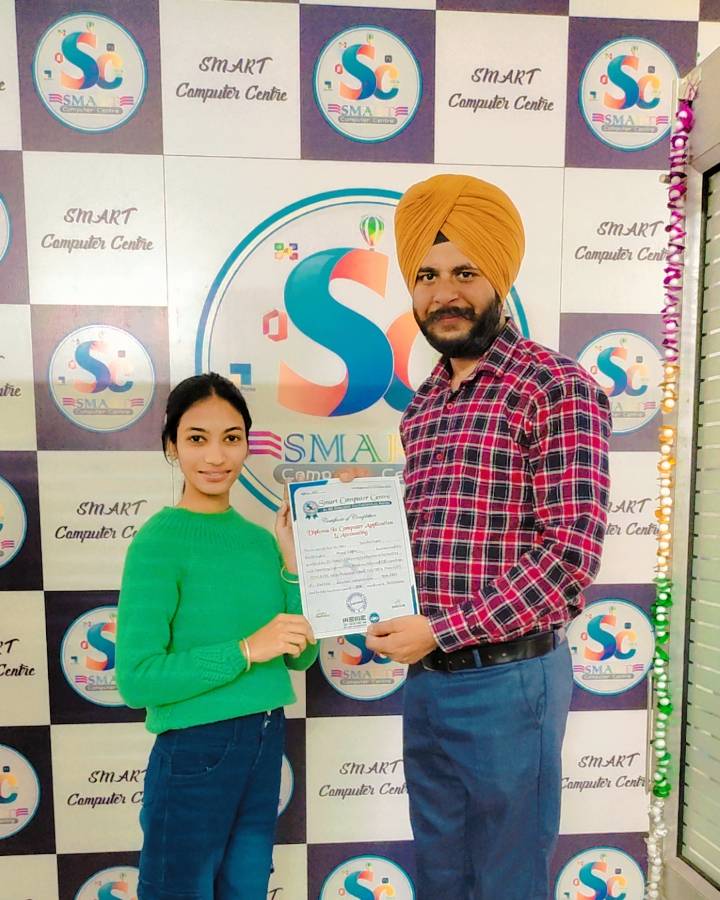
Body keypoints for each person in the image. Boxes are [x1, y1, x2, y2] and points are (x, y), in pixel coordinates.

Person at [363, 174, 612, 899]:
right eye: (427, 276)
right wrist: (346, 529)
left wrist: (440, 631)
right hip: (428, 682)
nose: (444, 293)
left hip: (510, 681)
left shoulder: (554, 386)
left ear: (497, 278)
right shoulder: (424, 406)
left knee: (506, 881)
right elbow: (426, 540)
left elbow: (568, 557)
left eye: (464, 273)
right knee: (441, 875)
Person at [116, 372, 317, 900]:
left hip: (265, 738)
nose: (215, 456)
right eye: (196, 438)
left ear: (247, 444)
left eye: (231, 438)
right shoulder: (158, 542)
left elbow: (301, 656)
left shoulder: (259, 541)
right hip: (194, 747)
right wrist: (246, 650)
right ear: (171, 446)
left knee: (245, 891)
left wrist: (293, 566)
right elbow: (137, 680)